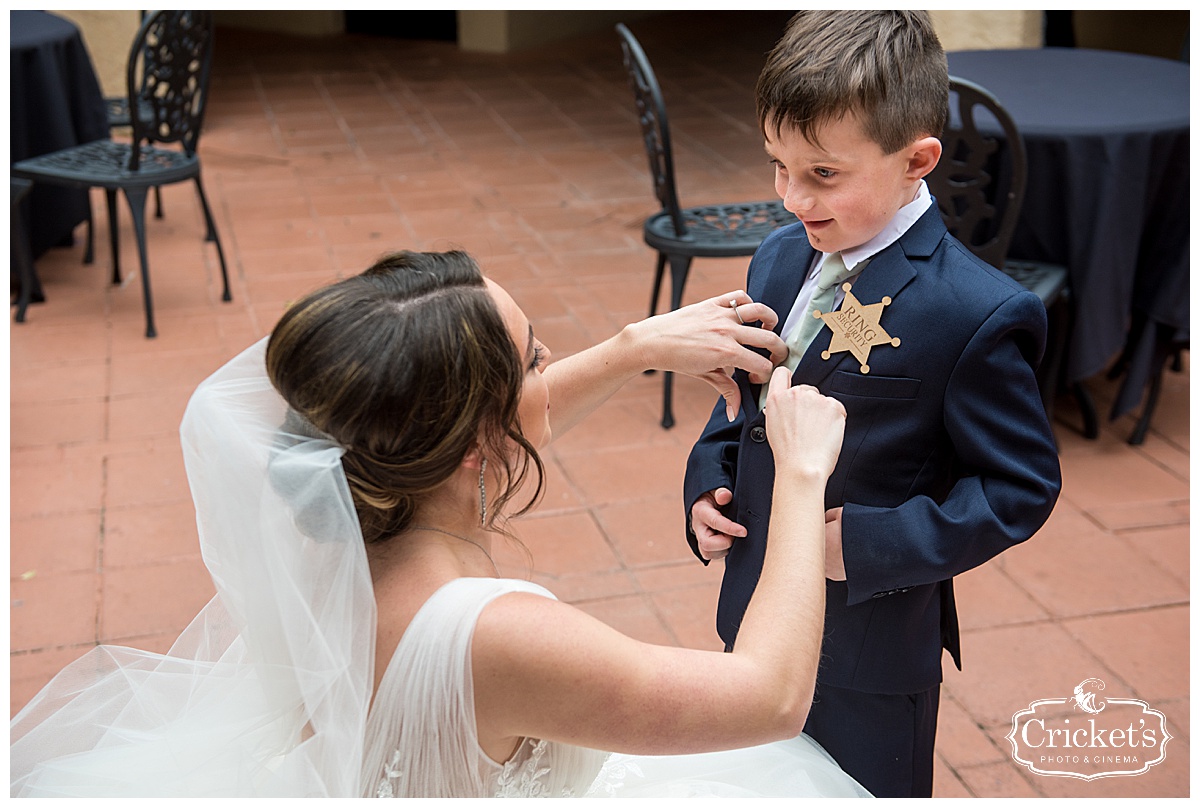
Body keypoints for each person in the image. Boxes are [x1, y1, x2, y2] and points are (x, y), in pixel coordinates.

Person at [11, 250, 870, 798]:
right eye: (536, 359)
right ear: (473, 448)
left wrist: (633, 347)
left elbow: (486, 425)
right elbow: (768, 699)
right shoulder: (501, 637)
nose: (549, 368)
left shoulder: (334, 522)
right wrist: (798, 474)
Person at [684, 11, 1062, 798]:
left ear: (917, 161)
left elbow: (1020, 488)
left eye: (822, 174)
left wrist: (863, 544)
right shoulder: (783, 255)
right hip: (755, 618)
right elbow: (751, 412)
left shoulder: (975, 312)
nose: (790, 197)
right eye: (777, 165)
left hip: (869, 653)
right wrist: (708, 480)